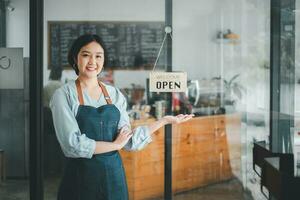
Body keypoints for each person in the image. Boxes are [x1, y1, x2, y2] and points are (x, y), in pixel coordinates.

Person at [50, 34, 194, 200]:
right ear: (75, 58)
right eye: (85, 55)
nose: (92, 61)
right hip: (81, 178)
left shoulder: (113, 94)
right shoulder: (63, 95)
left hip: (113, 177)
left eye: (98, 56)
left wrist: (164, 121)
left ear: (103, 60)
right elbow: (72, 145)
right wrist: (115, 145)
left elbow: (129, 141)